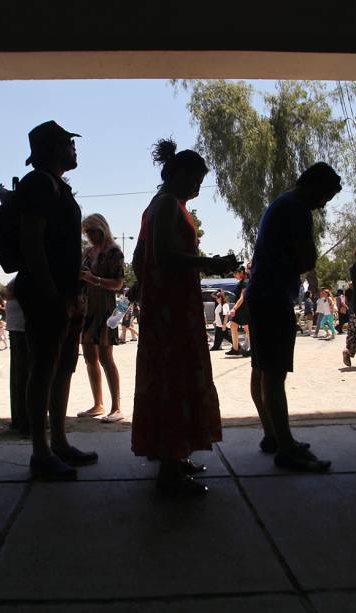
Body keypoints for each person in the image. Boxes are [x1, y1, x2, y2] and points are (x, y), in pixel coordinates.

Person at [131, 138, 237, 495]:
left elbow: (139, 258)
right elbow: (163, 254)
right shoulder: (167, 205)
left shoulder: (158, 205)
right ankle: (170, 470)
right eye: (194, 181)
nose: (197, 188)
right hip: (172, 309)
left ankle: (173, 456)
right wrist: (212, 263)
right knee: (175, 379)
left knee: (168, 378)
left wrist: (147, 288)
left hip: (168, 305)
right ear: (177, 174)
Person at [14, 120, 98, 480]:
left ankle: (59, 441)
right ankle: (40, 451)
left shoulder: (58, 186)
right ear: (51, 149)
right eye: (68, 143)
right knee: (44, 370)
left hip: (64, 295)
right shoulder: (37, 184)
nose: (74, 149)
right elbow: (32, 244)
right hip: (45, 295)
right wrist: (50, 294)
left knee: (63, 368)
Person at [247, 162, 342, 471]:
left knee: (261, 367)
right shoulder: (297, 208)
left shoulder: (280, 203)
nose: (323, 204)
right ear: (314, 186)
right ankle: (286, 448)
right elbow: (306, 258)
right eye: (325, 196)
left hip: (260, 294)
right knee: (274, 373)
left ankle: (272, 435)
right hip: (275, 296)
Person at [76, 213, 125, 423]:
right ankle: (98, 404)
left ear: (102, 229)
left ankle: (116, 407)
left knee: (106, 358)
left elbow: (118, 284)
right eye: (86, 232)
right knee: (89, 358)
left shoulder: (114, 252)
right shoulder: (87, 252)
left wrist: (93, 279)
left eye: (92, 231)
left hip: (105, 310)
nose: (89, 236)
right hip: (87, 311)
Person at [2, 280, 29, 435]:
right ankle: (23, 420)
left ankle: (23, 419)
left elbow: (7, 291)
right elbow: (4, 292)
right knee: (22, 375)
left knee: (21, 375)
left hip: (21, 325)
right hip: (20, 327)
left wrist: (14, 293)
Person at [226, 266, 251, 356]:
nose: (234, 275)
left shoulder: (245, 283)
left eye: (235, 273)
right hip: (239, 308)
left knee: (247, 328)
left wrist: (234, 308)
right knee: (233, 325)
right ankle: (235, 348)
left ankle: (254, 349)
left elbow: (242, 298)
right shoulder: (241, 282)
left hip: (243, 308)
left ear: (241, 272)